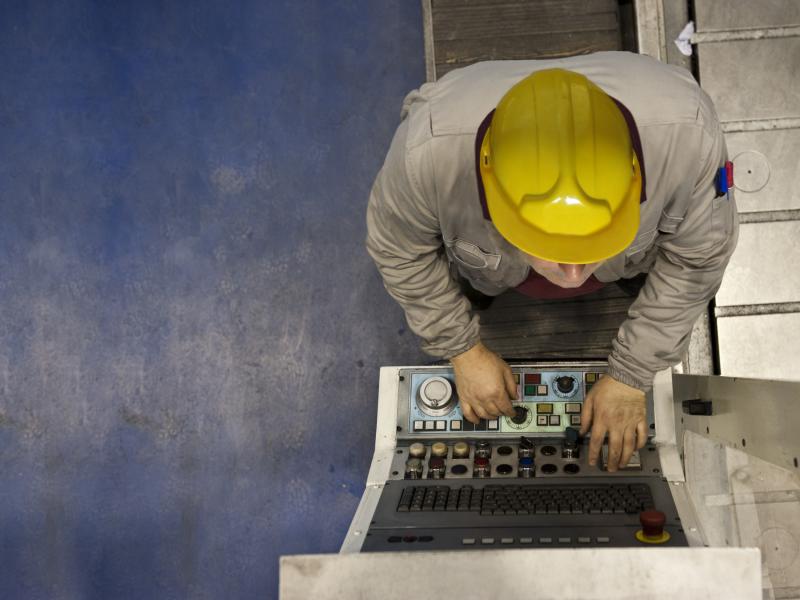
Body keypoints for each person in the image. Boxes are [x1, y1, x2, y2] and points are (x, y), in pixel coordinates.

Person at [366, 52, 738, 472]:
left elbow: (698, 261)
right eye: (550, 250)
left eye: (595, 245)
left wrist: (631, 374)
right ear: (493, 197)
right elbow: (398, 250)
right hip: (484, 262)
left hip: (635, 254)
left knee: (642, 278)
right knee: (472, 288)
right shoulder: (425, 155)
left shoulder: (689, 139)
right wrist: (462, 349)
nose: (575, 277)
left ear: (637, 175)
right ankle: (482, 289)